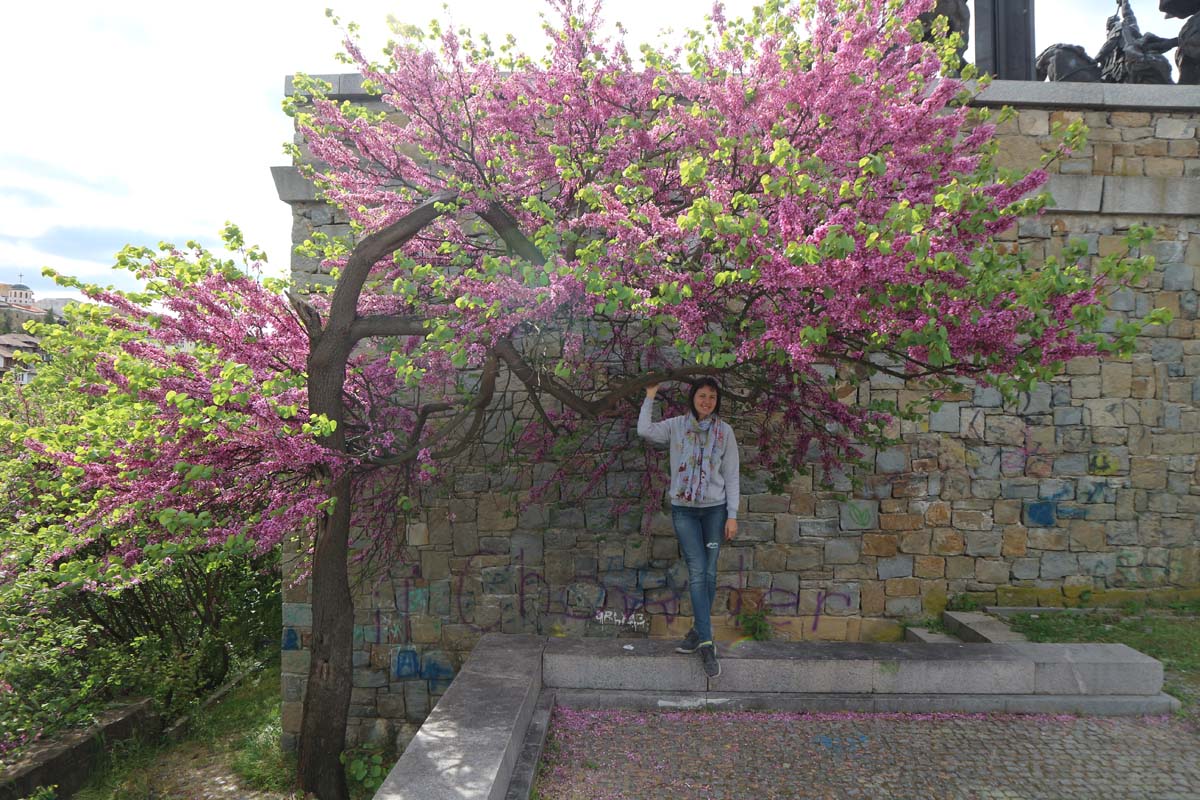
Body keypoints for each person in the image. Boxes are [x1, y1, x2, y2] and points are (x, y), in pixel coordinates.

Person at [638, 378, 740, 678]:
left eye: (712, 397)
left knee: (709, 573)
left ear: (717, 401)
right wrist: (650, 396)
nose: (707, 401)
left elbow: (732, 475)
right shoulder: (676, 426)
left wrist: (732, 515)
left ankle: (697, 631)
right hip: (684, 510)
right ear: (693, 398)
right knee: (698, 571)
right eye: (702, 395)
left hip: (715, 511)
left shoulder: (724, 432)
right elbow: (645, 430)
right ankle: (707, 643)